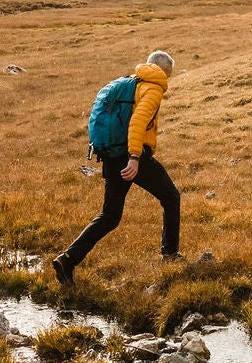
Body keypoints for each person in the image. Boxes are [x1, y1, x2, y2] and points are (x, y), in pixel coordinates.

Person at [52, 50, 180, 287]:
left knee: (110, 216)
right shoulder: (152, 88)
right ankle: (170, 254)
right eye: (168, 75)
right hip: (132, 158)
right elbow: (138, 123)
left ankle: (67, 259)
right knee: (171, 197)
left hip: (111, 156)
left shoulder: (131, 83)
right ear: (163, 71)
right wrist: (134, 158)